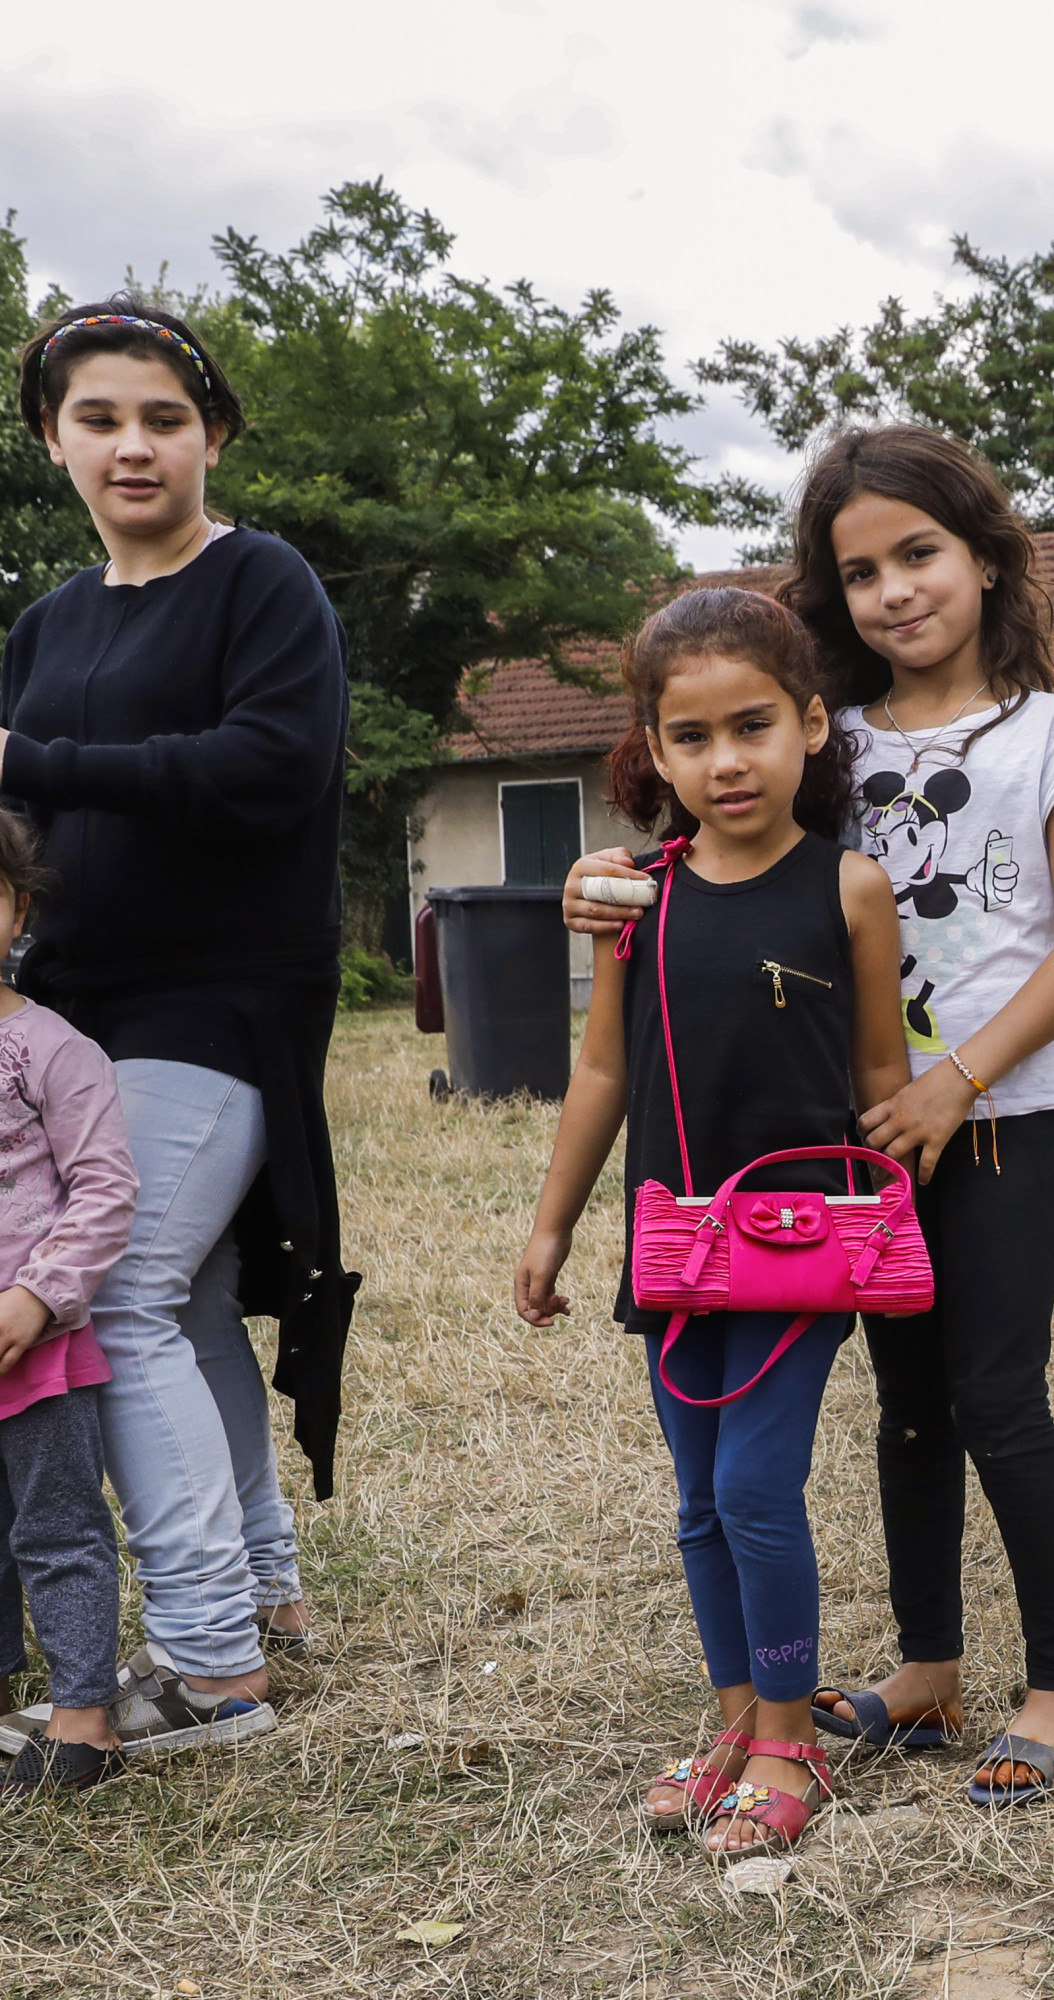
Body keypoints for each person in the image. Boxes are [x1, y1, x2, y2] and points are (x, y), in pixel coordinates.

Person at [564, 425, 1054, 1807]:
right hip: (855, 1144)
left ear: (990, 560)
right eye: (860, 569)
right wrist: (605, 883)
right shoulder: (833, 735)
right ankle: (929, 1673)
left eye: (920, 555)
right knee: (907, 1407)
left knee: (998, 1398)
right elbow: (719, 846)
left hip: (1000, 1118)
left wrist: (959, 1079)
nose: (892, 591)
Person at [0, 299, 355, 1757]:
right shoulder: (45, 624)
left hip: (221, 997)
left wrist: (32, 756)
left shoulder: (264, 585)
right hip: (71, 1006)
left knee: (122, 1294)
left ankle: (210, 1672)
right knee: (195, 1303)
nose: (131, 444)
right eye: (98, 418)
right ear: (51, 442)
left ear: (211, 434)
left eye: (161, 416)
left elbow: (266, 770)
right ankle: (264, 1593)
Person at [517, 587, 908, 1856]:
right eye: (690, 737)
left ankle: (794, 1737)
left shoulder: (848, 886)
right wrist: (554, 1224)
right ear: (654, 746)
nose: (724, 761)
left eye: (751, 727)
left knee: (753, 1482)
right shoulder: (633, 895)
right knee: (696, 1496)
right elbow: (601, 1074)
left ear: (807, 724)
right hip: (675, 1243)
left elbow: (879, 1082)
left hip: (803, 1247)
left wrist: (924, 1199)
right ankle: (735, 1713)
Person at [0, 813, 140, 1794]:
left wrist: (37, 1296)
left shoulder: (50, 1047)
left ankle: (85, 1717)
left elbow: (104, 1186)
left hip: (32, 1344)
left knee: (56, 1528)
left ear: (16, 908)